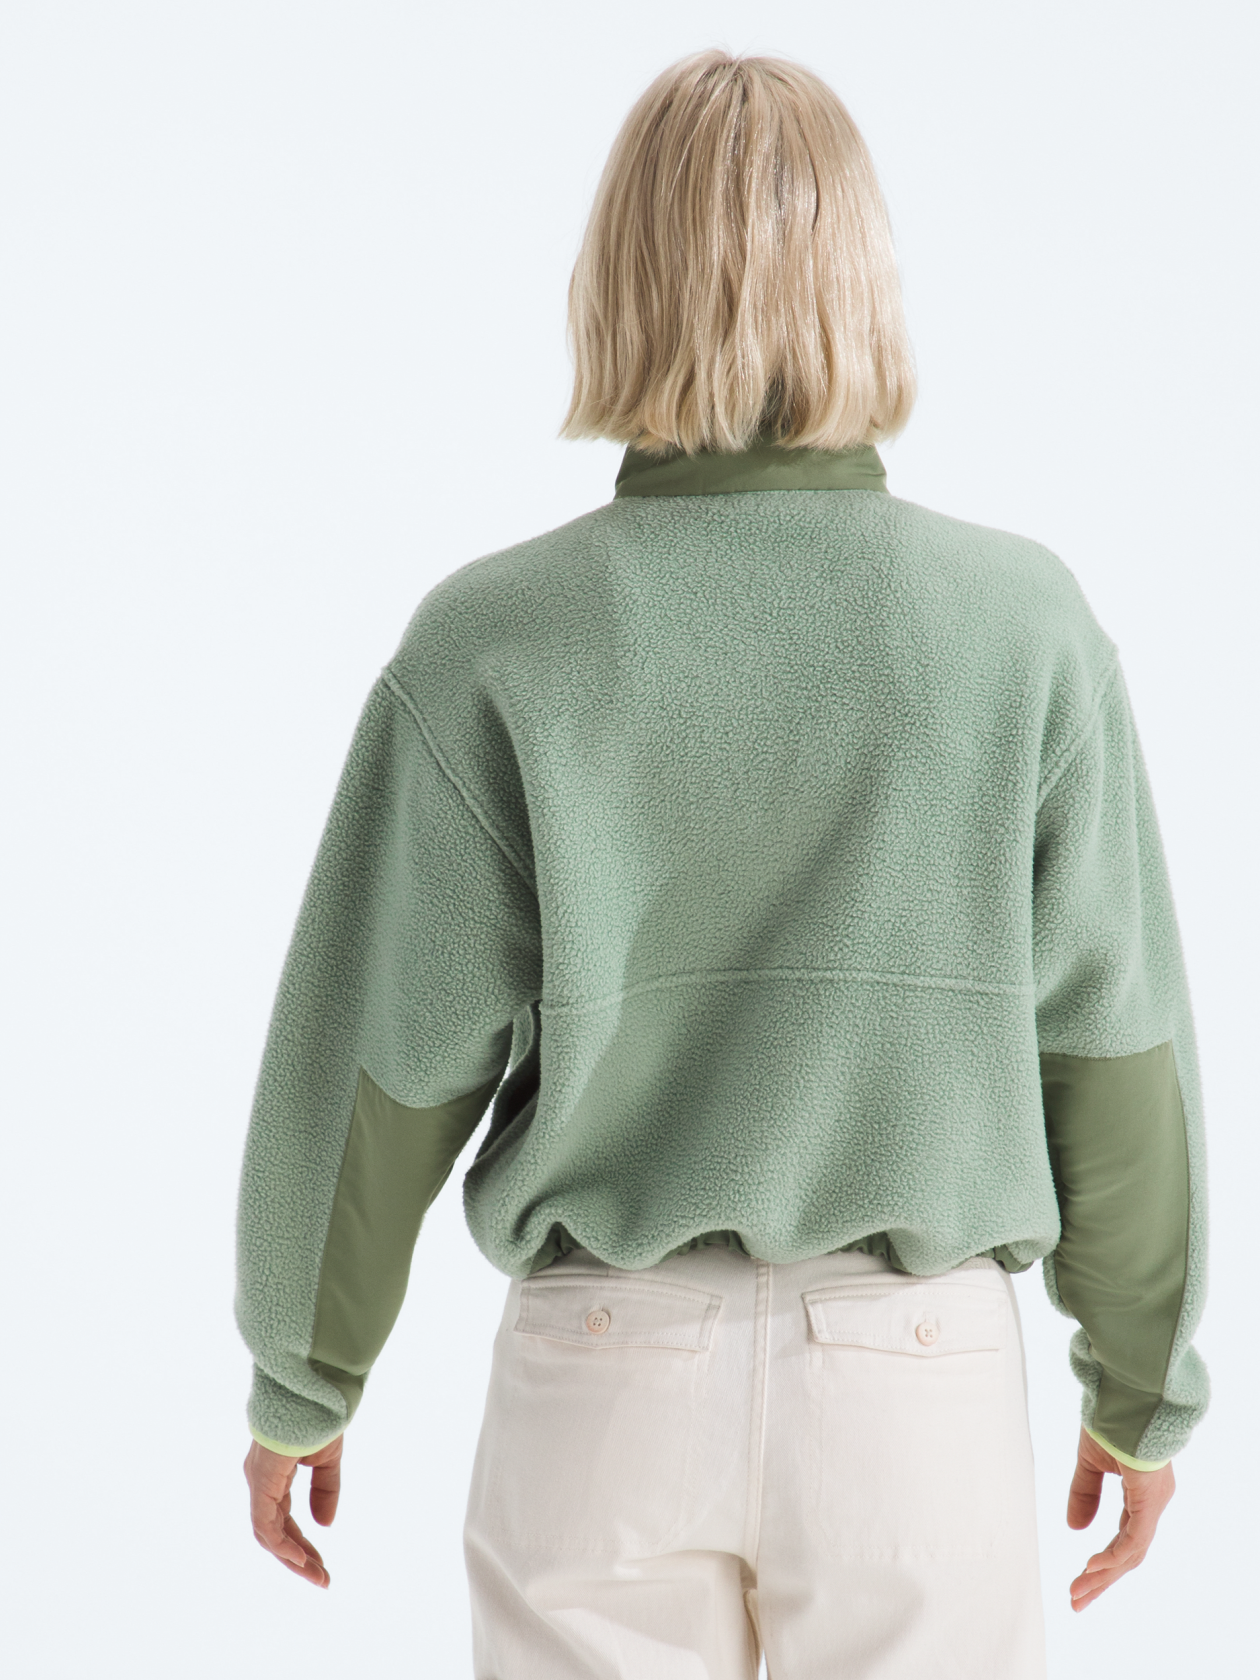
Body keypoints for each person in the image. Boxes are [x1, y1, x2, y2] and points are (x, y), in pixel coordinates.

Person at [237, 48, 1209, 1679]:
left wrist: (302, 1378)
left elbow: (374, 1063)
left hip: (606, 1376)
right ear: (867, 281)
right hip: (916, 1386)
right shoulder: (1023, 633)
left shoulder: (495, 641)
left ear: (612, 286)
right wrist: (1141, 1389)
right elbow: (1114, 1055)